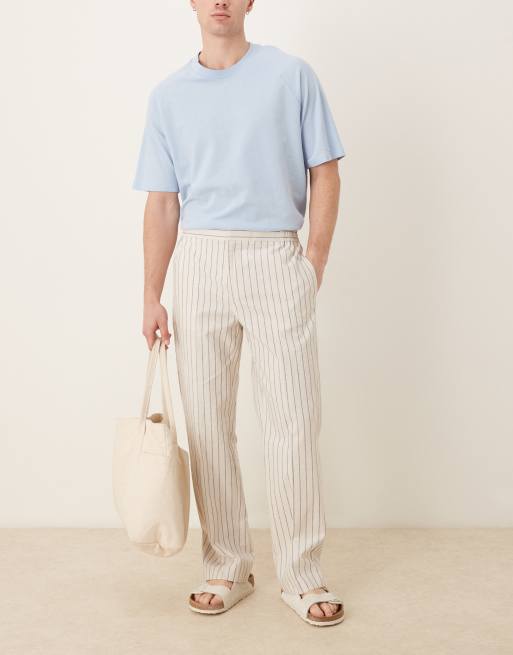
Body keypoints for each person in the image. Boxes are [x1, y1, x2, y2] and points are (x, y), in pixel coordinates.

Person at [132, 0, 346, 627]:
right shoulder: (168, 96)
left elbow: (325, 171)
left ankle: (302, 574)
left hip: (276, 256)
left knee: (293, 420)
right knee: (206, 423)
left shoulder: (290, 75)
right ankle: (226, 564)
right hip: (200, 262)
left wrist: (313, 261)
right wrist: (151, 293)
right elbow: (162, 202)